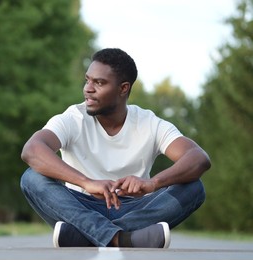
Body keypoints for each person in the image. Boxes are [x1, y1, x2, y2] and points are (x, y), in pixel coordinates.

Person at [20, 48, 211, 248]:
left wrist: (153, 183)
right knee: (31, 178)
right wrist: (86, 182)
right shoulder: (73, 117)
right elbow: (32, 149)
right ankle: (122, 239)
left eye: (99, 83)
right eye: (88, 80)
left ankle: (88, 236)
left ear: (123, 88)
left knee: (194, 187)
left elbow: (198, 158)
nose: (88, 89)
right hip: (79, 206)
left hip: (134, 209)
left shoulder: (149, 123)